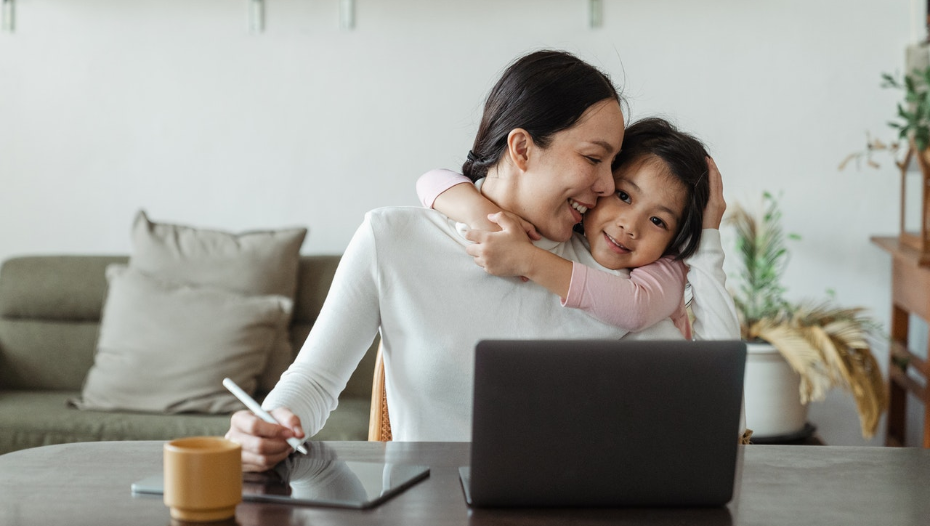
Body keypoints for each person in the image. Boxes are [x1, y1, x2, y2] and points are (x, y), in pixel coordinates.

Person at [226, 50, 739, 471]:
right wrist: (268, 423)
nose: (607, 186)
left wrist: (709, 238)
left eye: (613, 165)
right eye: (592, 159)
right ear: (521, 148)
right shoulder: (392, 240)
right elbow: (314, 383)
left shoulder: (617, 276)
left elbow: (712, 407)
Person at [417, 118, 719, 339]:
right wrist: (485, 216)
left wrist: (527, 260)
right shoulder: (568, 228)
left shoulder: (667, 267)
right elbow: (431, 179)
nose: (630, 225)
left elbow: (636, 308)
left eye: (658, 221)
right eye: (623, 196)